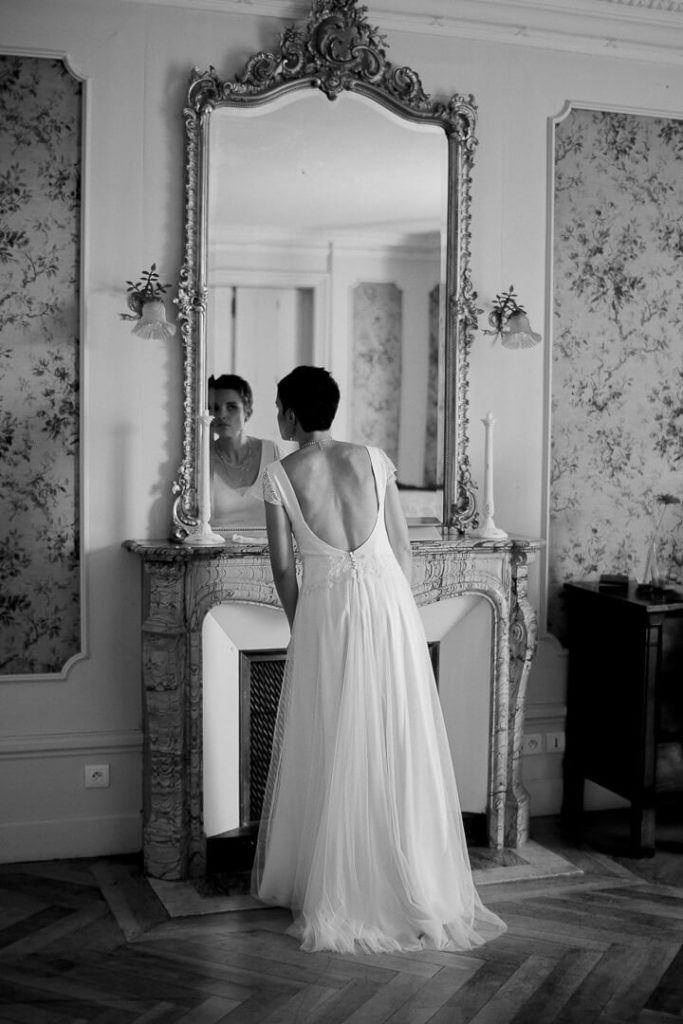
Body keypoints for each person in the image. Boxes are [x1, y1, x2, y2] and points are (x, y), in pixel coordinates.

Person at [251, 364, 506, 954]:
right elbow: (403, 549)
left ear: (289, 414)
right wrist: (398, 612)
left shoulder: (280, 476)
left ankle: (342, 878)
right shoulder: (374, 458)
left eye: (277, 408)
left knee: (336, 734)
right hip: (390, 605)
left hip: (326, 611)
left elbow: (285, 569)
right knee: (396, 735)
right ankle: (410, 868)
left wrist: (302, 626)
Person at [208, 374, 281, 529]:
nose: (221, 415)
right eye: (214, 408)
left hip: (267, 550)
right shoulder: (202, 459)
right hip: (217, 550)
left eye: (231, 407)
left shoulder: (270, 452)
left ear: (247, 411)